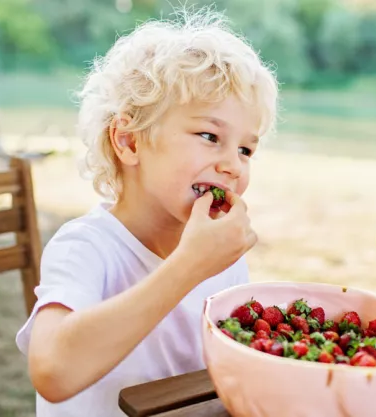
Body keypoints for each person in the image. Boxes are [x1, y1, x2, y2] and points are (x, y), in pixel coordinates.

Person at [14, 6, 279, 416]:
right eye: (210, 136)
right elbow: (52, 371)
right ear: (129, 142)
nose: (233, 164)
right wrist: (189, 265)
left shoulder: (222, 257)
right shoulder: (86, 247)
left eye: (246, 149)